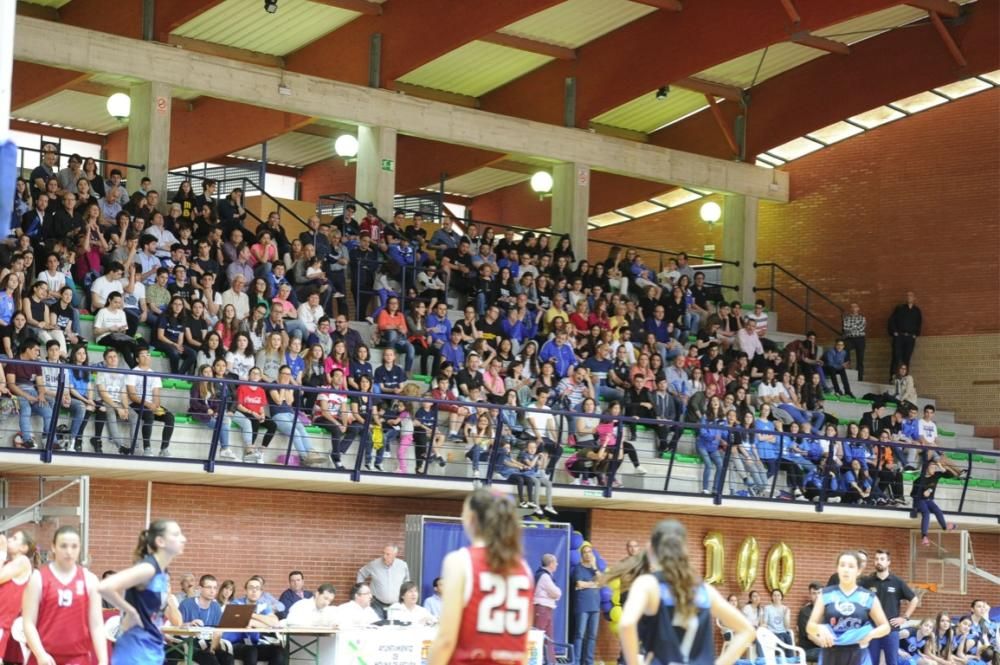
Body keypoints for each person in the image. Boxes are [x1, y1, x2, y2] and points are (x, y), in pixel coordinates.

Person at [619, 520, 755, 665]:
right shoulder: (705, 590)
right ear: (684, 551)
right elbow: (747, 630)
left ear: (650, 548)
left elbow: (627, 624)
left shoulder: (648, 584)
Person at [428, 489, 533, 665]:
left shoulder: (460, 561)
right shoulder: (524, 569)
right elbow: (523, 645)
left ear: (471, 518)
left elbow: (446, 640)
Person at [99, 520, 186, 665]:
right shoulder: (148, 568)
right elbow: (105, 586)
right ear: (160, 541)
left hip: (152, 647)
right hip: (135, 649)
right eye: (176, 534)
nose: (183, 538)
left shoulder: (163, 572)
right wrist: (130, 611)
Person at [21, 525, 107, 665]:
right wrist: (40, 654)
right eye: (64, 546)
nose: (69, 551)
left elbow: (96, 625)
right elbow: (28, 622)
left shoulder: (90, 579)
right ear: (53, 547)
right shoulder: (38, 578)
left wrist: (103, 660)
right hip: (44, 658)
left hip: (78, 658)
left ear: (79, 548)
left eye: (74, 546)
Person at [807, 551, 891, 665]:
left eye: (851, 566)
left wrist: (870, 635)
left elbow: (885, 627)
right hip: (830, 653)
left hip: (858, 653)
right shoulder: (826, 594)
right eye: (842, 565)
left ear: (859, 571)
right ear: (837, 568)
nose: (846, 569)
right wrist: (819, 628)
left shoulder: (868, 596)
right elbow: (809, 627)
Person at [861, 550, 919, 665]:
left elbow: (914, 599)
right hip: (872, 629)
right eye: (876, 559)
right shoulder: (867, 582)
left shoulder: (897, 582)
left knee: (892, 662)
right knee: (871, 662)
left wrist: (905, 618)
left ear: (888, 562)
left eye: (882, 559)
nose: (878, 562)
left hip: (891, 630)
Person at [221, 577, 286, 665]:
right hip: (234, 643)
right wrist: (263, 623)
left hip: (253, 644)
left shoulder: (263, 606)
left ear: (261, 592)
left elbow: (274, 622)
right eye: (251, 588)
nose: (254, 591)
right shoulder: (236, 604)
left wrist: (252, 615)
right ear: (246, 590)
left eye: (257, 588)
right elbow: (244, 622)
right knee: (251, 650)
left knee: (278, 651)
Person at [178, 574, 234, 665]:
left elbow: (218, 631)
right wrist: (189, 624)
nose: (212, 591)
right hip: (192, 645)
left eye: (215, 588)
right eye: (209, 587)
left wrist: (213, 648)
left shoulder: (216, 607)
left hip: (209, 644)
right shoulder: (186, 604)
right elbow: (177, 627)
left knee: (228, 658)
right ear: (200, 589)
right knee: (210, 659)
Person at [0, 531, 37, 658]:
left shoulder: (23, 561)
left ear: (24, 547)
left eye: (14, 538)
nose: (9, 539)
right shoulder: (7, 564)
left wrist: (2, 551)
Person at [910, 461, 958, 546]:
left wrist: (941, 467)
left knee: (937, 510)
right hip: (919, 500)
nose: (934, 469)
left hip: (929, 500)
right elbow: (913, 494)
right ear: (926, 468)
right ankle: (924, 536)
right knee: (926, 513)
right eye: (932, 467)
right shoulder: (919, 480)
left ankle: (945, 527)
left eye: (935, 468)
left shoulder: (936, 475)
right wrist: (922, 493)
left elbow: (951, 475)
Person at [356, 545, 410, 620]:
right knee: (377, 625)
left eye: (388, 554)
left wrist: (405, 597)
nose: (384, 556)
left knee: (394, 626)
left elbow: (407, 582)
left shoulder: (402, 565)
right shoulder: (374, 564)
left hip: (395, 604)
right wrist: (362, 590)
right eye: (384, 553)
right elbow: (361, 573)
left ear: (395, 555)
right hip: (377, 603)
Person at [572, 544, 602, 665]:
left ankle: (588, 662)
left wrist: (594, 567)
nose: (587, 554)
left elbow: (602, 582)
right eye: (585, 552)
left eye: (589, 551)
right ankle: (577, 661)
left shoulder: (595, 569)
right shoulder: (578, 568)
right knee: (580, 634)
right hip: (582, 605)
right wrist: (594, 584)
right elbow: (579, 584)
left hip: (595, 606)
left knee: (592, 636)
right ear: (582, 555)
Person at [533, 554, 561, 665]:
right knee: (540, 635)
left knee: (548, 637)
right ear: (551, 563)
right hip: (542, 608)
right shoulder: (544, 576)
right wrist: (556, 594)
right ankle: (539, 660)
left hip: (546, 608)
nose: (557, 564)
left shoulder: (545, 575)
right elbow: (556, 592)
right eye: (555, 562)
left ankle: (550, 661)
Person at [888, 292, 922, 378]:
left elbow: (919, 323)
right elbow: (891, 320)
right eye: (907, 296)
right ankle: (893, 377)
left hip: (910, 337)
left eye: (911, 296)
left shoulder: (917, 311)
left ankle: (904, 378)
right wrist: (894, 332)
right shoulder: (899, 308)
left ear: (914, 298)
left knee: (906, 358)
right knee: (896, 356)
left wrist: (915, 334)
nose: (909, 297)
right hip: (899, 336)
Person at [798, 582, 824, 662]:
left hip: (823, 647)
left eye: (819, 593)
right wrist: (828, 646)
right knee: (831, 654)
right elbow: (811, 636)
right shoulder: (805, 611)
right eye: (814, 593)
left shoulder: (827, 610)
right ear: (810, 595)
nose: (817, 596)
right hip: (808, 650)